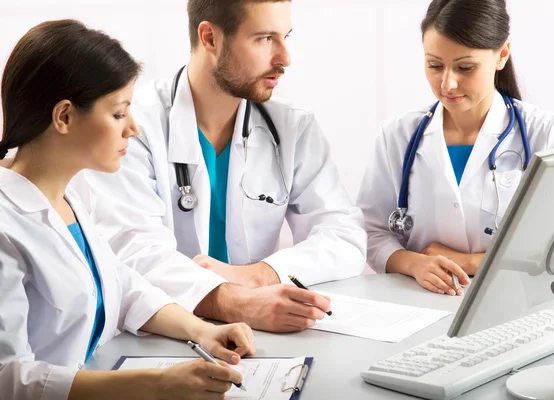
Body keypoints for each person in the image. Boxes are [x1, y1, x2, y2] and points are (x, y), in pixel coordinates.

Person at [0, 19, 255, 400]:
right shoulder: (7, 226)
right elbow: (9, 378)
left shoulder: (71, 197)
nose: (133, 129)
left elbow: (120, 285)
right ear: (64, 117)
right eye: (119, 113)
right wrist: (157, 384)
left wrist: (201, 330)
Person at [82, 0, 367, 333]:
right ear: (210, 38)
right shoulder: (131, 126)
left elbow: (344, 237)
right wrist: (234, 302)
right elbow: (132, 252)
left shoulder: (292, 128)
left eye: (285, 37)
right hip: (160, 336)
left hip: (263, 332)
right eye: (264, 39)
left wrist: (258, 275)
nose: (284, 58)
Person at [357, 0, 554, 296]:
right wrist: (414, 264)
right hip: (416, 301)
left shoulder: (546, 133)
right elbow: (371, 231)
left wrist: (469, 262)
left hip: (511, 300)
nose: (447, 83)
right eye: (434, 65)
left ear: (502, 56)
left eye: (465, 67)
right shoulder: (397, 135)